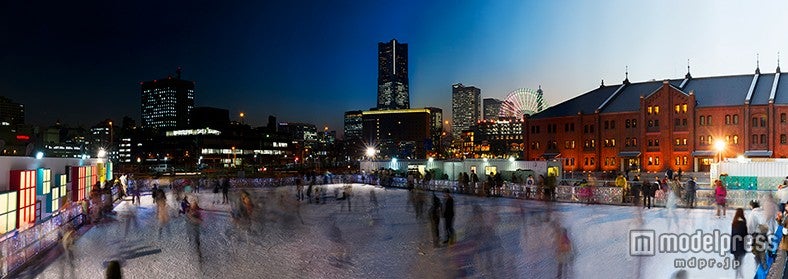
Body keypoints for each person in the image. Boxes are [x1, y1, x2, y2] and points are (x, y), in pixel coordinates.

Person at [747, 200, 769, 268]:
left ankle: (761, 269)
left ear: (752, 206)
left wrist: (750, 233)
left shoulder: (753, 214)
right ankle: (764, 267)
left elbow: (750, 226)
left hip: (757, 235)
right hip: (765, 234)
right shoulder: (763, 212)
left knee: (758, 254)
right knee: (762, 251)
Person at [730, 208, 747, 279]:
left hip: (734, 246)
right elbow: (745, 235)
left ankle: (737, 275)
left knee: (737, 262)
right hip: (741, 246)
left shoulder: (734, 223)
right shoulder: (743, 223)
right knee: (740, 263)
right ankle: (740, 276)